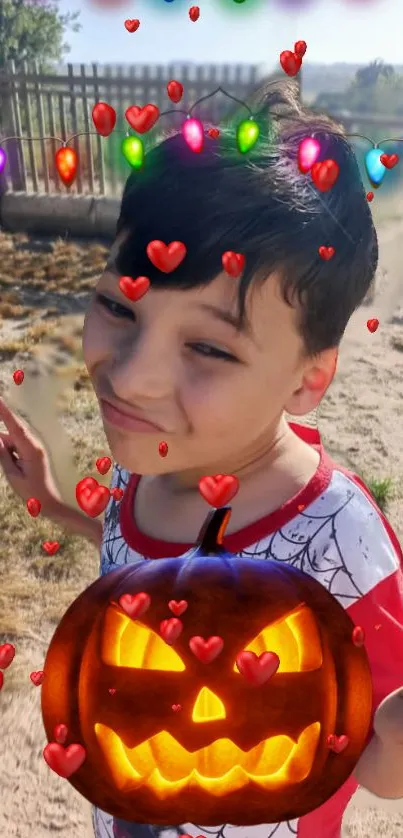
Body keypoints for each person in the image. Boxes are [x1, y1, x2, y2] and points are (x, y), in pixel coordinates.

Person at [1, 78, 403, 838]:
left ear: (308, 378)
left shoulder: (342, 542)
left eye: (210, 347)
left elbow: (380, 770)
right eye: (119, 305)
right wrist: (59, 506)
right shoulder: (147, 466)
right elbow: (144, 573)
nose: (129, 376)